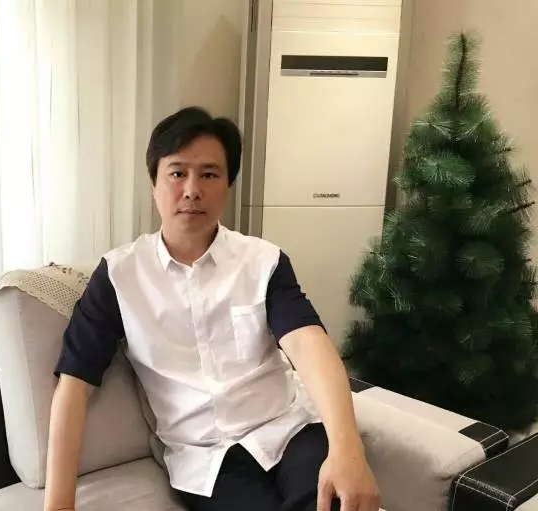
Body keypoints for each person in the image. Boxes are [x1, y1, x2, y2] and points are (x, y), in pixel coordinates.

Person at [43, 106, 380, 511]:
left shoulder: (263, 262)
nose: (191, 189)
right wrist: (58, 505)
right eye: (177, 173)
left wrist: (347, 448)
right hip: (206, 461)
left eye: (209, 174)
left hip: (289, 431)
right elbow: (74, 386)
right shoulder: (119, 276)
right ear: (154, 184)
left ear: (227, 185)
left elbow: (309, 345)